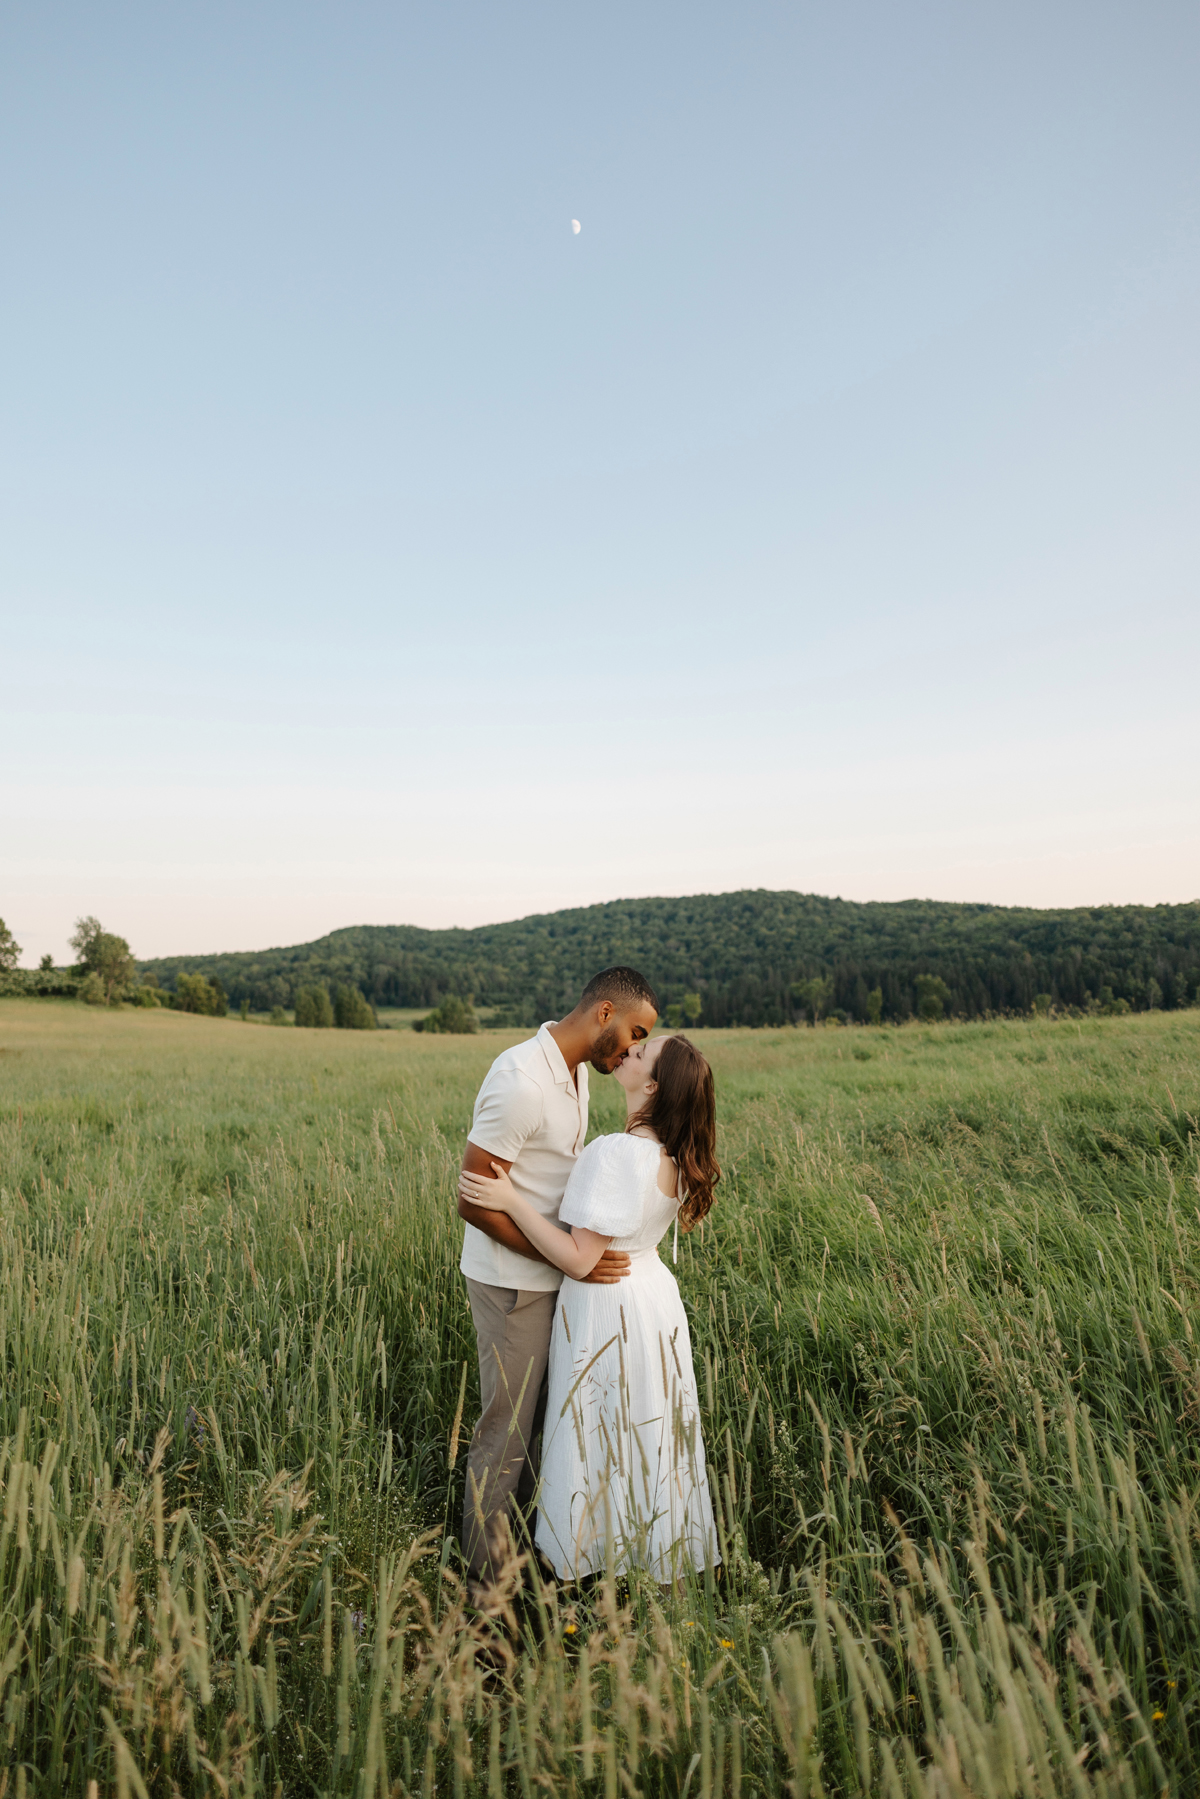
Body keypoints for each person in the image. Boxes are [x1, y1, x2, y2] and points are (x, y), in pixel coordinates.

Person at [460, 1033, 721, 1584]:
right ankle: (648, 1556)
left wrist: (512, 1201)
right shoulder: (673, 1156)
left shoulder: (617, 1152)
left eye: (642, 1054)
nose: (627, 1051)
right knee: (642, 1430)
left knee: (595, 1433)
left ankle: (587, 1559)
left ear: (653, 1087)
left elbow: (581, 1259)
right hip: (651, 1301)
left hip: (607, 1305)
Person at [455, 966, 660, 1599]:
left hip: (555, 1276)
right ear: (605, 1013)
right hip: (514, 1284)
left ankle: (523, 1567)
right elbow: (473, 1200)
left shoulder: (575, 1071)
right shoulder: (520, 1079)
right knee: (505, 1438)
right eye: (636, 1033)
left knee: (543, 1434)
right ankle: (486, 1599)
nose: (634, 1050)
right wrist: (571, 1262)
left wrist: (575, 1261)